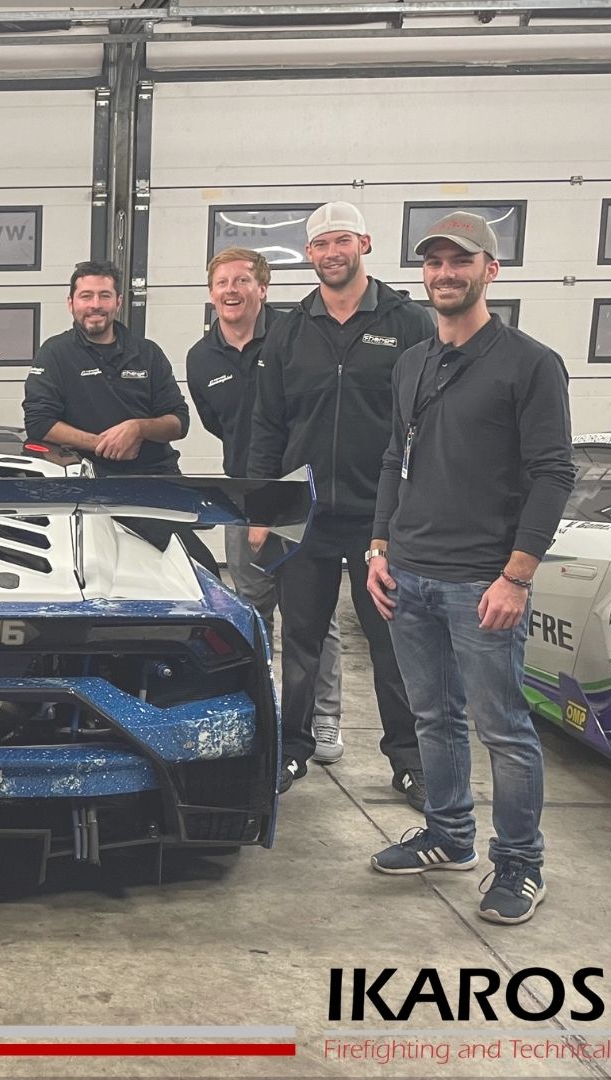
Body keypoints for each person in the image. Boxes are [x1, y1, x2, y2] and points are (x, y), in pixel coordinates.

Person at [366, 212, 574, 925]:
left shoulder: (529, 363)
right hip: (409, 574)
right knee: (433, 717)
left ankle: (519, 864)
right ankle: (450, 835)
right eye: (434, 262)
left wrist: (516, 575)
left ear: (491, 270)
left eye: (461, 261)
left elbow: (553, 473)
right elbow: (394, 457)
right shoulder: (412, 363)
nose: (445, 273)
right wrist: (379, 547)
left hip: (481, 581)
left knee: (504, 730)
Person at [248, 202, 435, 803]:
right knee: (301, 643)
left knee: (392, 643)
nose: (332, 253)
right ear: (309, 254)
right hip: (305, 516)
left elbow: (429, 421)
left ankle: (409, 761)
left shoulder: (408, 322)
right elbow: (267, 423)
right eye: (322, 244)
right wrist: (262, 509)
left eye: (343, 241)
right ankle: (293, 750)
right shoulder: (290, 329)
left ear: (365, 244)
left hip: (383, 518)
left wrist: (415, 508)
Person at [185, 247, 346, 765]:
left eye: (242, 281)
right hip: (242, 496)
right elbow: (219, 424)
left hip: (297, 495)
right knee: (252, 612)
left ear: (263, 288)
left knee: (312, 615)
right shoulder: (201, 358)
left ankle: (323, 717)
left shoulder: (296, 335)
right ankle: (266, 711)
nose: (231, 291)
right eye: (222, 282)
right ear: (211, 292)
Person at [23, 260, 191, 478]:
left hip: (155, 475)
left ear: (118, 302)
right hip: (83, 477)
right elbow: (39, 423)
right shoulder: (54, 354)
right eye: (86, 296)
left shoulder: (148, 353)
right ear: (70, 303)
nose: (95, 305)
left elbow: (179, 422)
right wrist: (101, 444)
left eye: (105, 295)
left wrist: (138, 428)